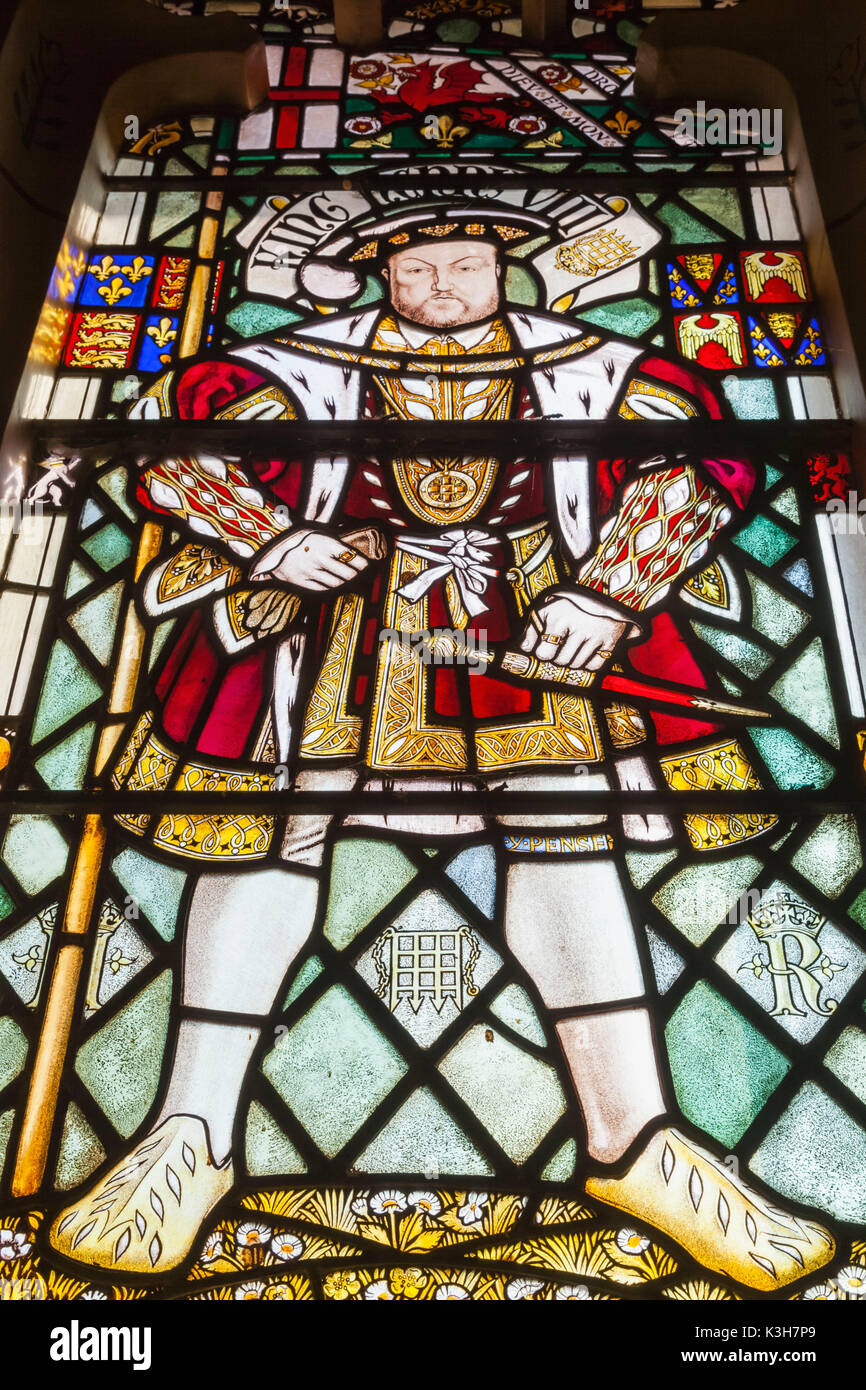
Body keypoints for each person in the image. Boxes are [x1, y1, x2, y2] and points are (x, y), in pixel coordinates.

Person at [48, 199, 834, 1289]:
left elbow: (702, 459)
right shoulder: (298, 365)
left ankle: (638, 1142)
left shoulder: (590, 368)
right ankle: (187, 1138)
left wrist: (608, 593)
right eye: (420, 267)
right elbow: (169, 442)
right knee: (262, 841)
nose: (445, 286)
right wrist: (269, 538)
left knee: (567, 842)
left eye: (468, 264)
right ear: (377, 272)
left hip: (529, 623)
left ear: (507, 267)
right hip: (337, 631)